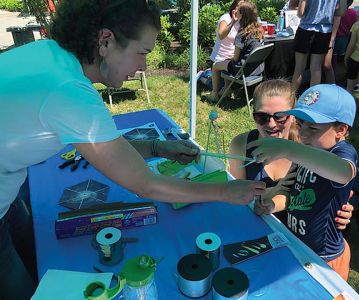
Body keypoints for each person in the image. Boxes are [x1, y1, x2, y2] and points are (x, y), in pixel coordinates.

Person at [0, 1, 266, 299]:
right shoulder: (69, 91)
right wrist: (225, 193)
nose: (143, 67)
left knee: (35, 256)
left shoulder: (50, 55)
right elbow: (145, 183)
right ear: (105, 41)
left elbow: (106, 146)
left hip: (7, 196)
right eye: (142, 53)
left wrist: (157, 147)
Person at [248, 84, 358, 281]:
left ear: (341, 130)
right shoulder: (305, 150)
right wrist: (272, 205)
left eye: (313, 128)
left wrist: (289, 149)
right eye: (300, 124)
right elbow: (293, 193)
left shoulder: (341, 153)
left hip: (325, 258)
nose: (304, 134)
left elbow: (343, 172)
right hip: (295, 242)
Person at [228, 79, 353, 230]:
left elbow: (341, 174)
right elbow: (236, 198)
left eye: (280, 116)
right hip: (253, 224)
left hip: (296, 235)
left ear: (293, 115)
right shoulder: (241, 144)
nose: (271, 124)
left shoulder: (309, 146)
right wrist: (273, 193)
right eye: (262, 116)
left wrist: (340, 207)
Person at [206, 1, 264, 102]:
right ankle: (227, 90)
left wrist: (230, 59)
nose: (236, 10)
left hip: (242, 70)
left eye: (239, 9)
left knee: (216, 65)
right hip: (257, 70)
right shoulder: (259, 29)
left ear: (242, 15)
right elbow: (221, 35)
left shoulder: (241, 34)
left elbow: (235, 59)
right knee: (227, 62)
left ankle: (214, 94)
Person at [291, 0, 346, 92]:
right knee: (316, 68)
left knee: (299, 68)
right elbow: (340, 12)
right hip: (324, 32)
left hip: (305, 29)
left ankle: (291, 99)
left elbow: (300, 14)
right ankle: (312, 102)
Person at [209, 0, 244, 96]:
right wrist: (233, 21)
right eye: (238, 6)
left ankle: (226, 88)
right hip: (219, 58)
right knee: (209, 84)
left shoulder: (244, 20)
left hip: (233, 58)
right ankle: (204, 78)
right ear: (234, 7)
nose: (240, 9)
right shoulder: (226, 18)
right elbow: (221, 35)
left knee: (226, 90)